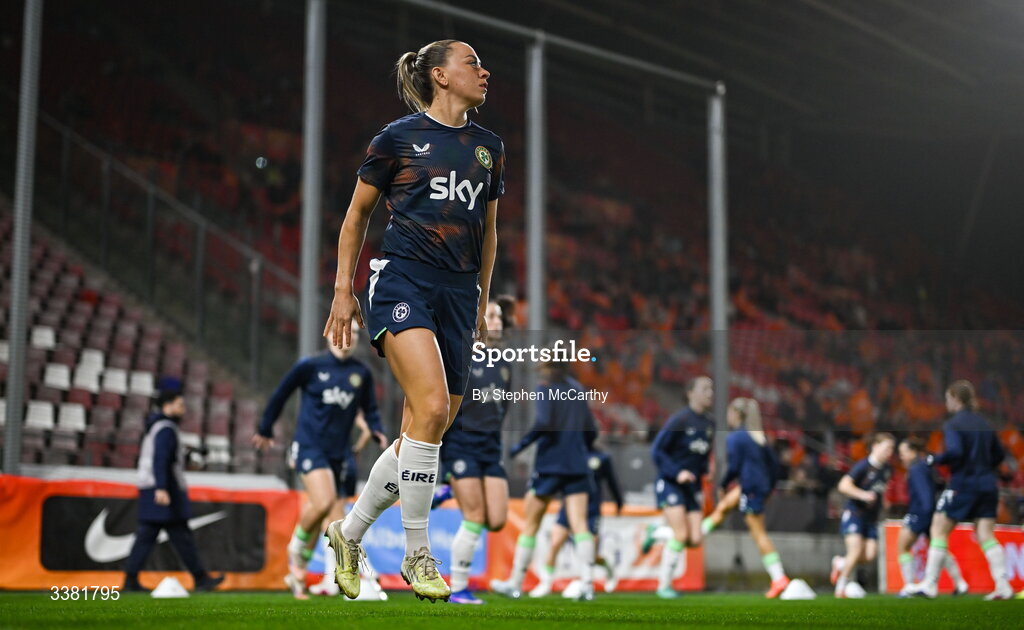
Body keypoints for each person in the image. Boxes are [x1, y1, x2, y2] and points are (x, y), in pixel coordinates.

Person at [321, 38, 504, 603]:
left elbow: (489, 233)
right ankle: (418, 553)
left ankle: (348, 533)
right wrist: (342, 293)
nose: (483, 70)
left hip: (457, 293)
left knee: (425, 429)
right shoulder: (397, 139)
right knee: (428, 410)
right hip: (402, 279)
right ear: (440, 77)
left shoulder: (489, 147)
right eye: (471, 62)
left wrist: (480, 301)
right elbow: (356, 215)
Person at [252, 331, 385, 599]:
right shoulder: (310, 366)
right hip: (309, 445)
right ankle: (296, 549)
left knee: (333, 519)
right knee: (324, 503)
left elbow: (370, 408)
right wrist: (265, 429)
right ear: (329, 335)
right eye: (344, 332)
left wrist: (377, 429)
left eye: (355, 334)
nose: (349, 337)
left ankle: (304, 573)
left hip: (339, 452)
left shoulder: (362, 373)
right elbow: (280, 395)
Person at [490, 361, 599, 602]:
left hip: (550, 464)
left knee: (531, 524)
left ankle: (515, 583)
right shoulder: (578, 389)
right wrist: (582, 449)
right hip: (576, 464)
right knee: (580, 525)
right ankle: (587, 584)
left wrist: (520, 446)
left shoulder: (545, 388)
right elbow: (591, 429)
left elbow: (543, 422)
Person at [904, 380, 1012, 600]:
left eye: (947, 399)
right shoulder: (985, 424)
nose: (947, 403)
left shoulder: (953, 424)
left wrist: (935, 459)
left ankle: (930, 584)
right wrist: (984, 467)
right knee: (985, 534)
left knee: (938, 529)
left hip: (963, 484)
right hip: (988, 485)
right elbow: (1000, 455)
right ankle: (1003, 585)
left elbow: (955, 452)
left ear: (954, 398)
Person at [439, 299, 513, 604]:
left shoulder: (504, 363)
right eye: (491, 315)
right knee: (475, 516)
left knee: (496, 520)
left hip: (490, 450)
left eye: (499, 317)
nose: (497, 321)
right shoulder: (460, 356)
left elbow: (502, 407)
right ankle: (457, 587)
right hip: (461, 446)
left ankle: (445, 492)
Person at [123, 379, 224, 593]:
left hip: (159, 487)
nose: (183, 409)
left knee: (167, 535)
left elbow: (168, 458)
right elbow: (160, 460)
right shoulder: (166, 429)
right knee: (162, 535)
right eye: (179, 404)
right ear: (167, 405)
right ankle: (199, 578)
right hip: (161, 489)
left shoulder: (160, 427)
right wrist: (161, 488)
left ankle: (199, 578)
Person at [704, 398, 791, 598]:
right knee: (724, 508)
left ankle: (779, 578)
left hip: (750, 488)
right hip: (755, 487)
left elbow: (734, 467)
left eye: (730, 412)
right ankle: (696, 533)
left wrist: (723, 485)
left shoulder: (736, 438)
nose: (728, 416)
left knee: (758, 533)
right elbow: (774, 466)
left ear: (737, 414)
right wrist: (768, 489)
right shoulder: (759, 438)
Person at [648, 376, 715, 599]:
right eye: (704, 388)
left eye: (711, 389)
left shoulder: (709, 424)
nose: (710, 393)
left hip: (691, 487)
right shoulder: (679, 421)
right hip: (670, 483)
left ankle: (657, 532)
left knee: (694, 539)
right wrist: (677, 472)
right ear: (690, 393)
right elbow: (657, 451)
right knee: (681, 533)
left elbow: (700, 455)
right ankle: (664, 585)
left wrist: (706, 470)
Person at [529, 446, 623, 598]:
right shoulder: (568, 453)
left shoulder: (602, 457)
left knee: (590, 553)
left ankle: (605, 568)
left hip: (591, 509)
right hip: (568, 507)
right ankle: (545, 584)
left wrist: (619, 502)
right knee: (555, 543)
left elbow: (611, 480)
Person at [895, 437, 967, 597]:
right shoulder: (927, 467)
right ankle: (960, 583)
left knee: (903, 546)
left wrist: (925, 514)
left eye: (903, 452)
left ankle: (908, 586)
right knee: (940, 547)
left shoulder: (916, 469)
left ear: (913, 452)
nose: (901, 456)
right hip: (930, 512)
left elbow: (925, 495)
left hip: (920, 513)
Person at [831, 432, 895, 598]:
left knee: (869, 555)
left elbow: (882, 489)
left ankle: (841, 563)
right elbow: (843, 485)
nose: (890, 452)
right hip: (855, 513)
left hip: (871, 517)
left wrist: (884, 503)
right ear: (875, 446)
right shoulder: (863, 466)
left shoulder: (887, 469)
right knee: (855, 549)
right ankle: (841, 586)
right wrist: (863, 495)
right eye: (887, 447)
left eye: (892, 449)